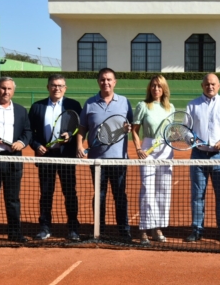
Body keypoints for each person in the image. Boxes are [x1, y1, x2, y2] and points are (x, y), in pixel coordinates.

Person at [77, 68, 133, 242]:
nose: (106, 82)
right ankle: (98, 231)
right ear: (98, 82)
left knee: (119, 195)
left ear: (115, 82)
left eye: (109, 79)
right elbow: (82, 128)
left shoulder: (124, 102)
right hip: (97, 160)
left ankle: (124, 232)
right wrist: (79, 144)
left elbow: (130, 126)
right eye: (102, 79)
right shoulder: (90, 103)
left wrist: (128, 129)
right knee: (99, 196)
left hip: (118, 158)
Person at [29, 74, 83, 241]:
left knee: (69, 193)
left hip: (66, 157)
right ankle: (45, 227)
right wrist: (37, 145)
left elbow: (80, 129)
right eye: (53, 85)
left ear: (65, 88)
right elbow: (29, 132)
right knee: (46, 193)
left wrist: (71, 138)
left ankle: (73, 228)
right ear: (48, 87)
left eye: (60, 85)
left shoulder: (73, 105)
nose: (57, 88)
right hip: (46, 157)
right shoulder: (37, 107)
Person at [185, 73, 220, 243]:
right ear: (202, 86)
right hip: (198, 155)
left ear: (219, 85)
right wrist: (194, 141)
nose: (210, 87)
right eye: (207, 84)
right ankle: (197, 229)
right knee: (197, 195)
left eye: (213, 84)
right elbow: (186, 130)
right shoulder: (192, 105)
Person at [0, 77, 32, 247]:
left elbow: (27, 131)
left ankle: (15, 234)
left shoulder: (20, 110)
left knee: (13, 200)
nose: (6, 92)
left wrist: (22, 143)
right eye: (3, 88)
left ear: (13, 91)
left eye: (9, 89)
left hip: (12, 161)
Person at [132, 75, 174, 246]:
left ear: (164, 89)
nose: (156, 89)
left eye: (159, 86)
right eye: (153, 86)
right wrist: (138, 148)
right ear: (149, 88)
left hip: (166, 150)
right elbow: (134, 130)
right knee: (147, 189)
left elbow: (170, 132)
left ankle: (157, 228)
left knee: (164, 190)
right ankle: (144, 228)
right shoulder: (143, 106)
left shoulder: (170, 107)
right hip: (148, 148)